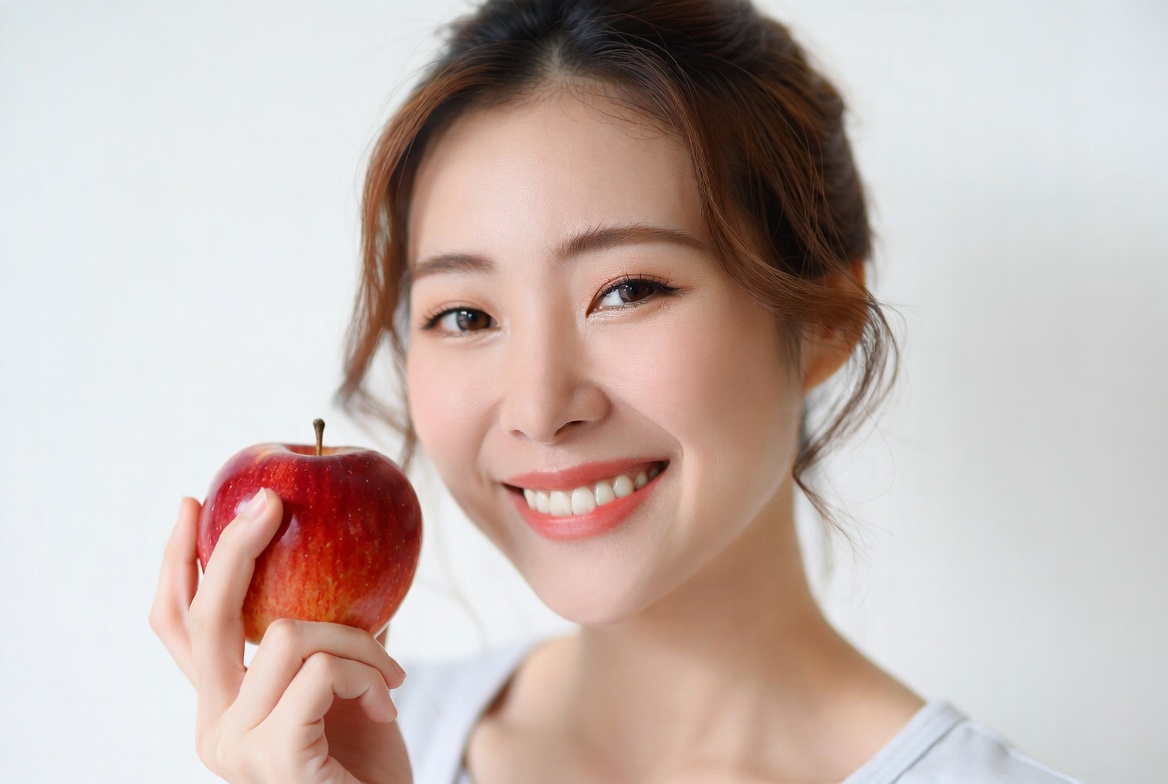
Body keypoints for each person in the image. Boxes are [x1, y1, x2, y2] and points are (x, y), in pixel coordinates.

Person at [151, 1, 1080, 782]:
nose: (539, 405)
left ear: (826, 320)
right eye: (466, 315)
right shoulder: (331, 752)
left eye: (628, 290)